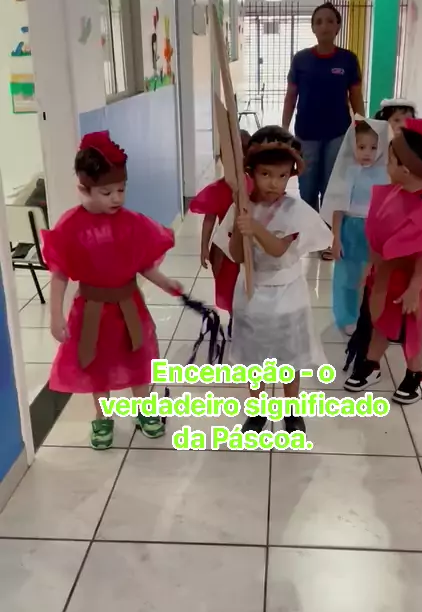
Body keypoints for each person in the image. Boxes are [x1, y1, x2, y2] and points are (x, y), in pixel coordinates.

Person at [42, 131, 182, 450]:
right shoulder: (70, 227)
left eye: (121, 189)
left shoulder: (131, 222)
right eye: (106, 192)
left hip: (129, 306)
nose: (116, 198)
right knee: (97, 366)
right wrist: (55, 315)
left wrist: (165, 282)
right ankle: (103, 416)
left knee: (138, 359)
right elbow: (60, 274)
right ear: (83, 189)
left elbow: (143, 264)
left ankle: (144, 410)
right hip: (91, 311)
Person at [213, 126, 331, 434]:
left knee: (290, 358)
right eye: (266, 174)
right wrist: (240, 227)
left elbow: (278, 249)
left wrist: (254, 227)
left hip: (288, 294)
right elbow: (237, 256)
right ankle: (257, 411)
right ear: (251, 172)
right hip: (252, 292)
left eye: (282, 175)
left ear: (291, 175)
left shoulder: (295, 210)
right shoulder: (242, 206)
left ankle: (292, 410)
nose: (274, 183)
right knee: (255, 358)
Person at [343, 119, 422, 405]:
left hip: (409, 282)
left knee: (412, 329)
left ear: (405, 169)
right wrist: (370, 266)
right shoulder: (394, 193)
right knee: (380, 321)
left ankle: (417, 375)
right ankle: (372, 364)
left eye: (390, 162)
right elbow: (379, 233)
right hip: (385, 276)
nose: (386, 166)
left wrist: (414, 289)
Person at [282, 1, 365, 260]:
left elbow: (356, 96)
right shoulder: (301, 60)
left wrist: (361, 127)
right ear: (313, 28)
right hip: (306, 134)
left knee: (331, 188)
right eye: (319, 21)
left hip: (337, 134)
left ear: (338, 26)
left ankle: (330, 238)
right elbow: (291, 96)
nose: (325, 26)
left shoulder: (348, 60)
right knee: (307, 187)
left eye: (330, 21)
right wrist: (283, 129)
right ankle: (311, 236)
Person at [321, 117, 389, 335]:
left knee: (375, 275)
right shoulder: (347, 170)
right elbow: (338, 207)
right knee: (348, 275)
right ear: (352, 145)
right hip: (350, 229)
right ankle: (348, 316)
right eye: (361, 147)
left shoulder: (386, 172)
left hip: (377, 230)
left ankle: (374, 315)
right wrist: (336, 237)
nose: (367, 153)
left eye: (373, 147)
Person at [189, 130, 251, 317]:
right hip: (224, 249)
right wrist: (204, 246)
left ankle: (246, 317)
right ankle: (234, 318)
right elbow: (209, 220)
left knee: (249, 286)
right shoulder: (217, 190)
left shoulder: (254, 186)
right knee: (228, 285)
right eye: (227, 157)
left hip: (249, 246)